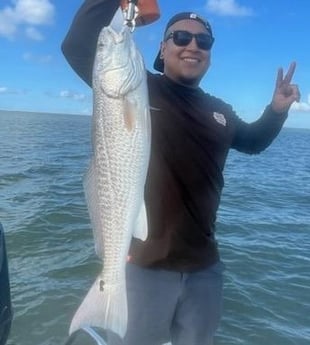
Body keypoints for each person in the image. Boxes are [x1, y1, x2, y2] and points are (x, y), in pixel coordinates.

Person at [61, 1, 300, 344]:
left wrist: (276, 111)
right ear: (163, 46)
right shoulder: (138, 86)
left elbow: (253, 141)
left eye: (204, 41)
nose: (193, 46)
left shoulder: (220, 111)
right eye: (182, 37)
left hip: (205, 269)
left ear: (210, 54)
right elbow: (76, 44)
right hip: (143, 269)